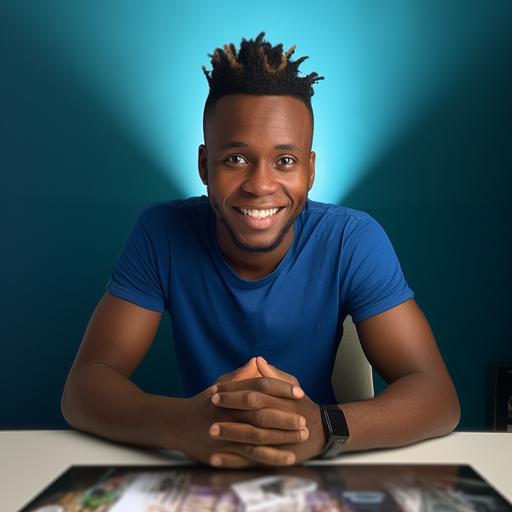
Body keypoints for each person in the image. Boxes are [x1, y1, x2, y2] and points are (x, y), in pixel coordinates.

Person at [61, 32, 460, 468]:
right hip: (205, 466)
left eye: (284, 161)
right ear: (203, 166)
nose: (260, 185)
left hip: (317, 467)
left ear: (310, 170)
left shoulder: (352, 239)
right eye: (235, 158)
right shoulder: (161, 232)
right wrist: (183, 424)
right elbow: (84, 387)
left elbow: (437, 395)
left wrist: (322, 429)